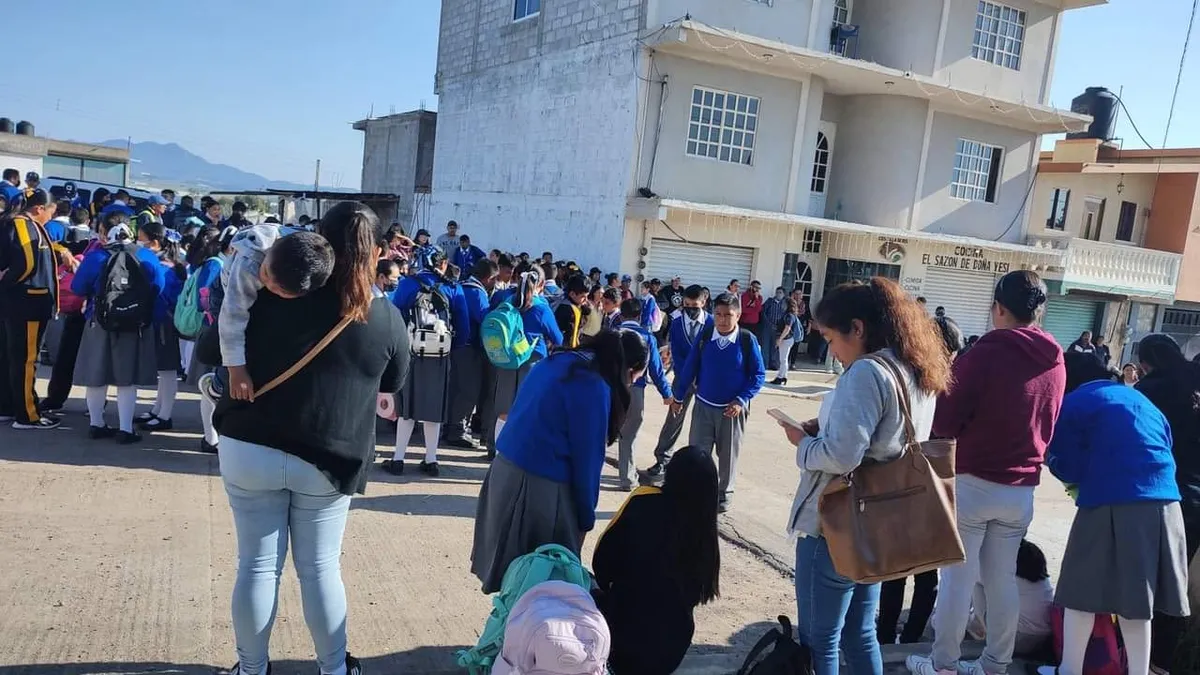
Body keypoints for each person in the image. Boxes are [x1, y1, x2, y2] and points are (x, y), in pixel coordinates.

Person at [203, 201, 409, 675]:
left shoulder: (269, 286)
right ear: (376, 252)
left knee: (256, 566)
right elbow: (392, 383)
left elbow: (211, 346)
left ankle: (251, 669)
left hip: (248, 444)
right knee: (319, 570)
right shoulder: (383, 316)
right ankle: (334, 669)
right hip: (329, 457)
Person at [779, 277, 949, 675]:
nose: (832, 351)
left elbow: (841, 455)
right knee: (861, 633)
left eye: (831, 338)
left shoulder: (866, 372)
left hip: (838, 524)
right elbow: (885, 439)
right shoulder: (914, 366)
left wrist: (800, 446)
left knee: (820, 640)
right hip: (882, 524)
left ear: (857, 328)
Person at [908, 270, 1065, 675]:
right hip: (1023, 488)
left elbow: (945, 419)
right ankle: (995, 663)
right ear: (1039, 311)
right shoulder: (1055, 356)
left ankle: (944, 664)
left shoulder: (988, 351)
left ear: (998, 307)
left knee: (958, 580)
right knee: (1001, 582)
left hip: (975, 481)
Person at [1040, 352, 1189, 675]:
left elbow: (1068, 465)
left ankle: (1069, 670)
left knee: (1082, 592)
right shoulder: (1141, 400)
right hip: (1166, 503)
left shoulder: (1076, 403)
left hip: (1111, 501)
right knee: (1137, 603)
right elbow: (1165, 444)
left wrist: (1053, 464)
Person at [470, 330, 649, 594]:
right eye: (634, 378)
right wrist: (585, 519)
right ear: (629, 369)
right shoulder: (593, 385)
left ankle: (510, 629)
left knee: (512, 580)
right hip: (541, 490)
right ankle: (521, 633)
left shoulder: (557, 360)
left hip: (503, 474)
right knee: (541, 583)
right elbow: (587, 464)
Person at [593, 446, 721, 675]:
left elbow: (601, 563)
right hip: (671, 650)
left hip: (621, 637)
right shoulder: (705, 529)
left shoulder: (642, 501)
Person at [1134, 333, 1200, 669]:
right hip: (1195, 498)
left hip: (1161, 493)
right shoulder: (1194, 379)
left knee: (1150, 579)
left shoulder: (1149, 391)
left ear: (1145, 364)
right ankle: (1165, 657)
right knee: (1180, 582)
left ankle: (1143, 656)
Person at [71, 212, 166, 443]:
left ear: (106, 233)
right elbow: (159, 287)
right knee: (127, 380)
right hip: (134, 324)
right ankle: (126, 429)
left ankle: (97, 424)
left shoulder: (96, 257)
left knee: (97, 376)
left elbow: (77, 287)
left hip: (99, 321)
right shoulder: (145, 256)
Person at [669, 292, 766, 512]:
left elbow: (758, 376)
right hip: (703, 406)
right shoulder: (705, 337)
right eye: (719, 314)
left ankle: (724, 494)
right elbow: (690, 367)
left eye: (728, 315)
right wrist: (678, 396)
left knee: (728, 456)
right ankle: (696, 491)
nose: (722, 320)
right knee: (697, 453)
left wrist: (741, 399)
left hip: (731, 411)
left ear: (738, 315)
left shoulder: (746, 340)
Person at [385, 250, 468, 476]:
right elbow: (464, 327)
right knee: (434, 408)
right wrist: (451, 348)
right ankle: (431, 459)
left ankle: (398, 458)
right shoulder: (452, 287)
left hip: (411, 351)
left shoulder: (408, 284)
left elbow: (395, 315)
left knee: (407, 408)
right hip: (440, 355)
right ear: (442, 263)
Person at [0, 189, 64, 429]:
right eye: (50, 211)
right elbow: (27, 262)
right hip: (28, 302)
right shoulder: (23, 224)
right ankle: (28, 414)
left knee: (9, 357)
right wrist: (6, 281)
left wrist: (62, 251)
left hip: (16, 303)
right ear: (39, 208)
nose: (50, 216)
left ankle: (7, 406)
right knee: (26, 360)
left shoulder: (18, 223)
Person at [215, 224, 296, 403]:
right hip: (226, 288)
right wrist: (236, 371)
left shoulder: (314, 256)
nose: (268, 283)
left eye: (279, 289)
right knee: (227, 334)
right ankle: (218, 382)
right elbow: (232, 318)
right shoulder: (249, 263)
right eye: (267, 274)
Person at [486, 266, 564, 451]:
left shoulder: (508, 301)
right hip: (532, 362)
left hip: (506, 360)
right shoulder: (541, 309)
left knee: (504, 410)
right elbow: (558, 338)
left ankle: (497, 452)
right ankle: (518, 453)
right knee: (527, 409)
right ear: (541, 284)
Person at [644, 285, 712, 483]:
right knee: (674, 418)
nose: (690, 308)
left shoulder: (712, 322)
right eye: (687, 304)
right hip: (682, 379)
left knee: (702, 423)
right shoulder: (676, 323)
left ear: (703, 303)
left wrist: (701, 377)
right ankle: (662, 459)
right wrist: (686, 377)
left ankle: (698, 466)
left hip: (705, 381)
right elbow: (678, 354)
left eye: (695, 305)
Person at [133, 222, 188, 432]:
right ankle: (158, 409)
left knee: (167, 370)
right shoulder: (172, 266)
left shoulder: (165, 269)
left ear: (155, 242)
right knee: (164, 370)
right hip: (162, 321)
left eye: (141, 238)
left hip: (164, 322)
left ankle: (165, 414)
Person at [615, 299, 672, 491]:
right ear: (640, 317)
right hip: (635, 390)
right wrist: (667, 393)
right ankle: (627, 479)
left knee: (602, 432)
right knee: (629, 436)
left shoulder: (611, 334)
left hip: (609, 389)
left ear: (621, 315)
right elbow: (656, 370)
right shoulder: (647, 337)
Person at [967, 540, 1055, 659]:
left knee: (976, 584)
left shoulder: (1006, 574)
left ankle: (977, 627)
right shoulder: (1041, 578)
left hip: (1017, 640)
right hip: (1044, 638)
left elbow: (969, 574)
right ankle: (977, 623)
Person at [448, 258, 498, 451]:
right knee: (469, 389)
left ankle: (452, 426)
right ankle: (458, 430)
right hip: (470, 346)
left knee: (457, 387)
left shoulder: (460, 286)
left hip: (457, 344)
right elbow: (486, 319)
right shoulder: (477, 292)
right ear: (488, 278)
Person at [770, 298, 802, 386]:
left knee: (783, 359)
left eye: (784, 303)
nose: (782, 305)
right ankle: (783, 376)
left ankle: (780, 377)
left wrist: (780, 339)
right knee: (783, 359)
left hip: (786, 339)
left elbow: (787, 328)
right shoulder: (788, 315)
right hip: (786, 339)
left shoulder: (789, 316)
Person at [554, 274, 591, 349]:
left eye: (587, 296)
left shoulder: (571, 303)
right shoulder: (568, 310)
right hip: (565, 350)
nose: (586, 300)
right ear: (572, 294)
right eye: (583, 297)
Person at [760, 287, 787, 370]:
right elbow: (763, 312)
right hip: (768, 328)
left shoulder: (785, 304)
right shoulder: (769, 301)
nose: (778, 294)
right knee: (765, 346)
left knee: (775, 346)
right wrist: (768, 323)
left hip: (778, 328)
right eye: (777, 292)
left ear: (783, 294)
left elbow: (786, 316)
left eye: (780, 293)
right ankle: (765, 364)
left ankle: (774, 364)